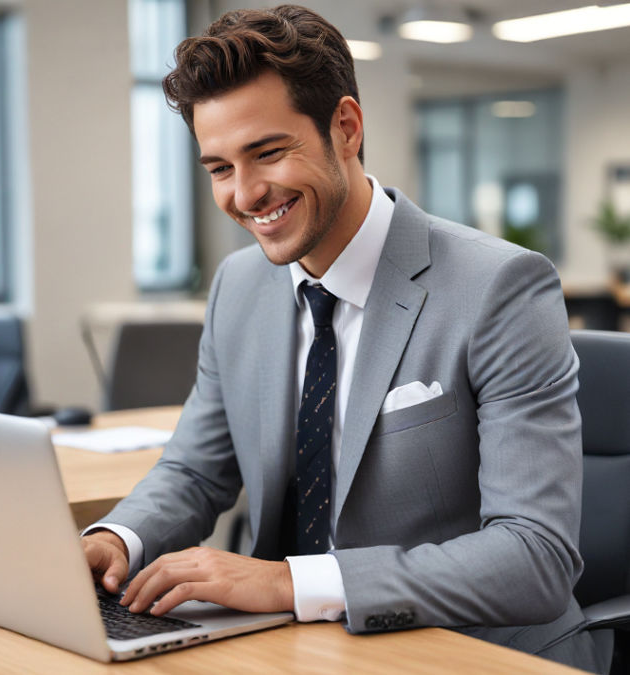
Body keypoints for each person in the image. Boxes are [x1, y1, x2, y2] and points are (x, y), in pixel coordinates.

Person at [82, 5, 604, 671]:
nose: (245, 194)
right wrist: (118, 538)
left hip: (471, 651)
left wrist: (289, 582)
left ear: (346, 128)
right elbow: (194, 468)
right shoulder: (238, 288)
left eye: (268, 152)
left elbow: (534, 556)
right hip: (293, 648)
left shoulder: (499, 287)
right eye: (218, 168)